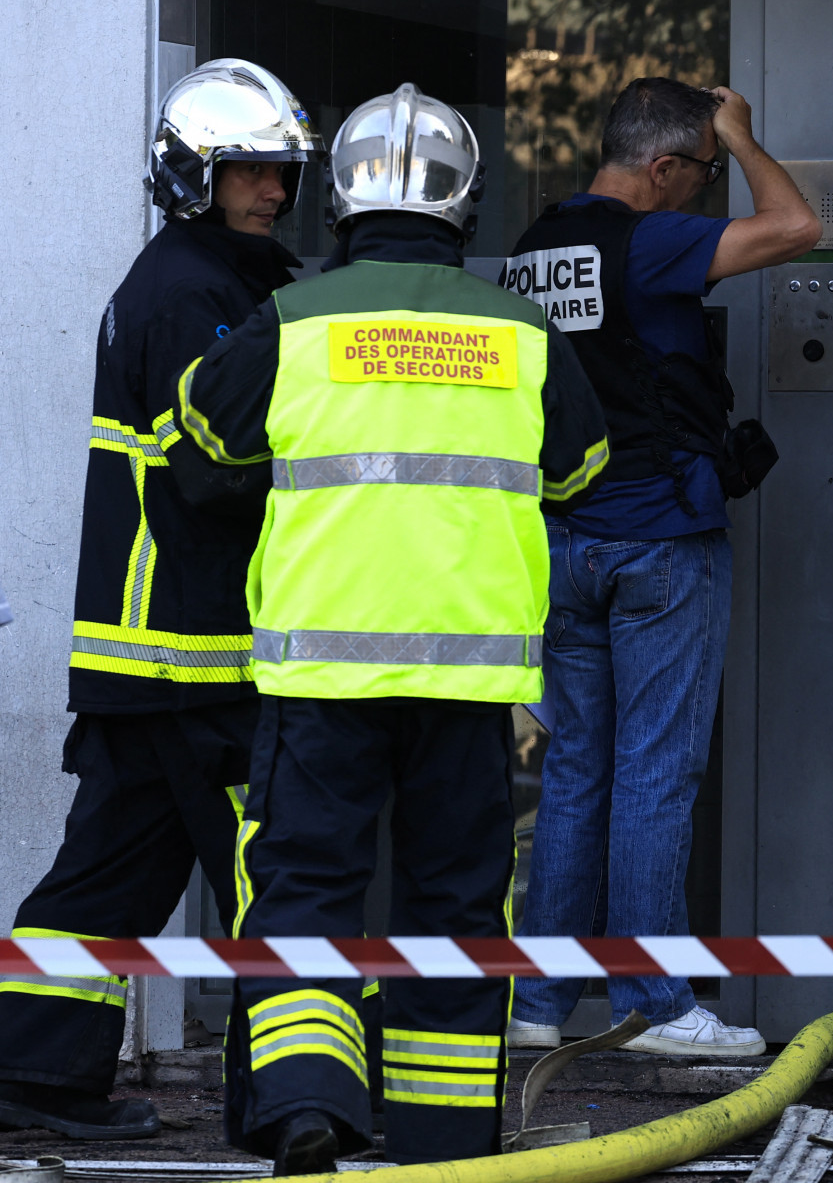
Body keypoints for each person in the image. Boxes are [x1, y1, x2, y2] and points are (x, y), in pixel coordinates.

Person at [173, 83, 609, 1173]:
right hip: (468, 685)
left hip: (322, 667)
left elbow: (203, 432)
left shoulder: (293, 319)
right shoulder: (524, 330)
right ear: (465, 207)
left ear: (343, 205)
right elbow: (583, 465)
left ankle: (308, 1103)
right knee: (455, 902)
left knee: (306, 888)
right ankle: (442, 1135)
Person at [0, 59, 318, 1142]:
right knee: (273, 872)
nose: (272, 189)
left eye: (281, 170)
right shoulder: (192, 290)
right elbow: (213, 466)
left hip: (162, 649)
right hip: (191, 646)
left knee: (110, 871)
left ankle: (35, 1072)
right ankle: (297, 1100)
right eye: (249, 172)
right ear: (195, 176)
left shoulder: (222, 277)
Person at [500, 78, 817, 1056]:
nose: (702, 190)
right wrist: (746, 135)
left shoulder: (533, 249)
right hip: (659, 542)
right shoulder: (651, 239)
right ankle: (653, 1002)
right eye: (701, 172)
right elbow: (798, 226)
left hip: (560, 540)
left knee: (577, 771)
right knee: (654, 772)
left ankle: (539, 1007)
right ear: (664, 166)